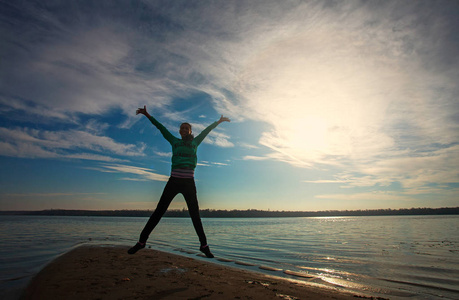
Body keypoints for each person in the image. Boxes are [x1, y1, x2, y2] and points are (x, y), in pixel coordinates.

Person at [128, 105, 230, 258]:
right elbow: (160, 127)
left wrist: (218, 122)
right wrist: (147, 114)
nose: (183, 130)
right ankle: (141, 242)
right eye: (181, 128)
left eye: (186, 128)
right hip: (174, 181)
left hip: (189, 183)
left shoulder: (195, 142)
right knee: (158, 212)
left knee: (195, 215)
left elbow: (206, 131)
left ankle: (204, 246)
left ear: (190, 131)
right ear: (179, 131)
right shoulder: (174, 141)